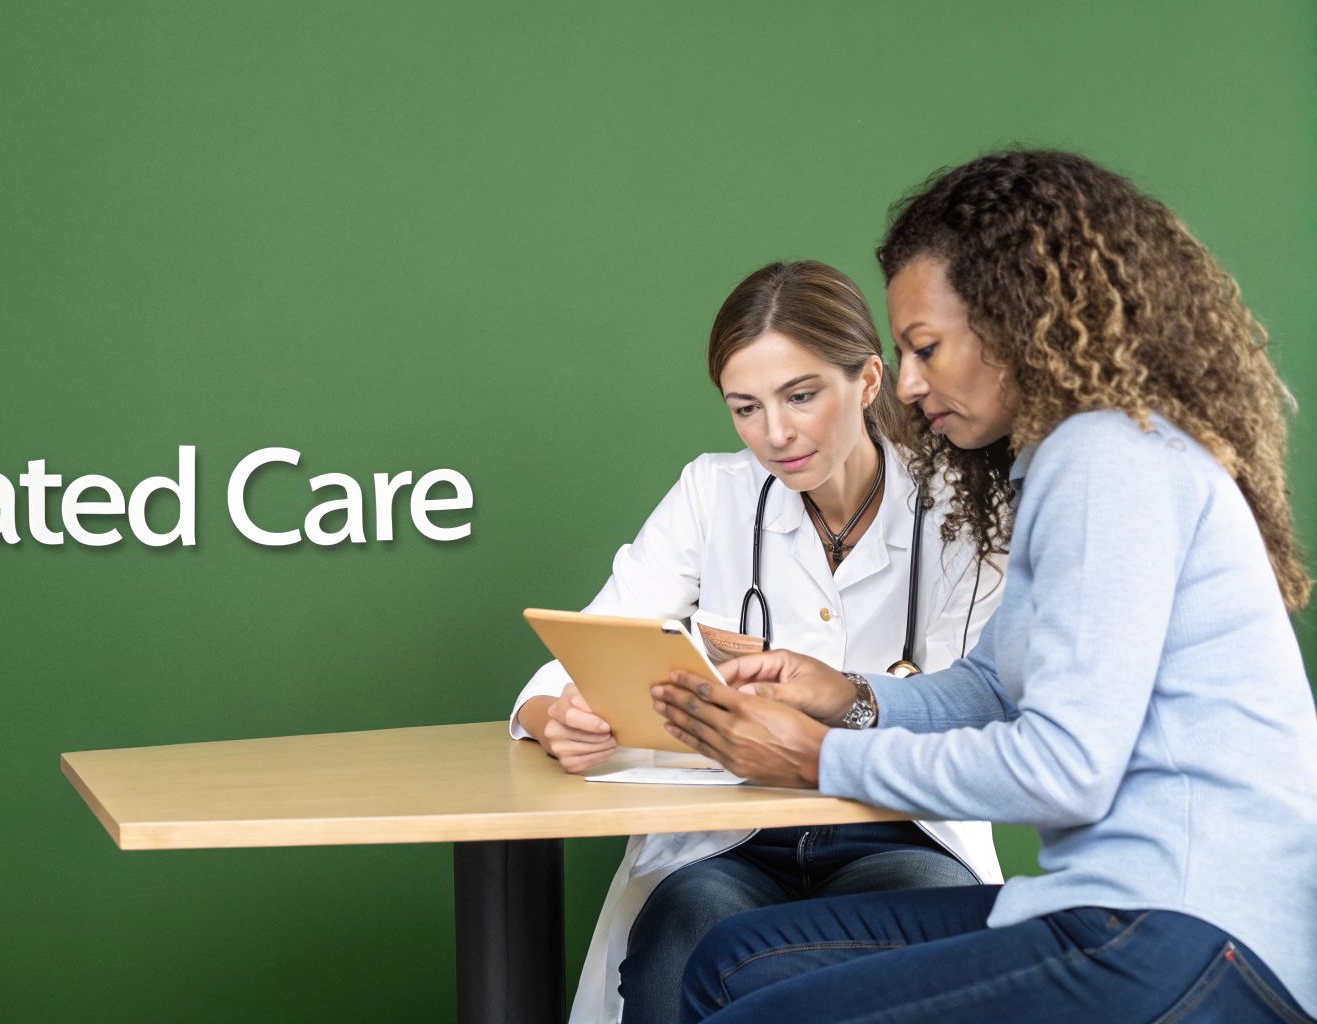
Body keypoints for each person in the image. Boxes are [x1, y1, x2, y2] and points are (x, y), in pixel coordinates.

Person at [654, 150, 1317, 1023]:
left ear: (1021, 320)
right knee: (731, 958)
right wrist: (844, 697)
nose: (914, 382)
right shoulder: (1067, 461)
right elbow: (995, 685)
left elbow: (1064, 770)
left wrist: (815, 755)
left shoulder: (1106, 459)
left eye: (927, 348)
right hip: (1124, 908)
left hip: (1189, 930)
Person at [510, 260, 1006, 1024]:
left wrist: (834, 700)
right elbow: (570, 662)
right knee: (687, 924)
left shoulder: (960, 509)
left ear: (869, 380)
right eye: (746, 408)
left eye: (801, 397)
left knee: (931, 918)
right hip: (727, 840)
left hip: (894, 829)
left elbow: (982, 709)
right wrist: (558, 721)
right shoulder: (713, 495)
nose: (774, 434)